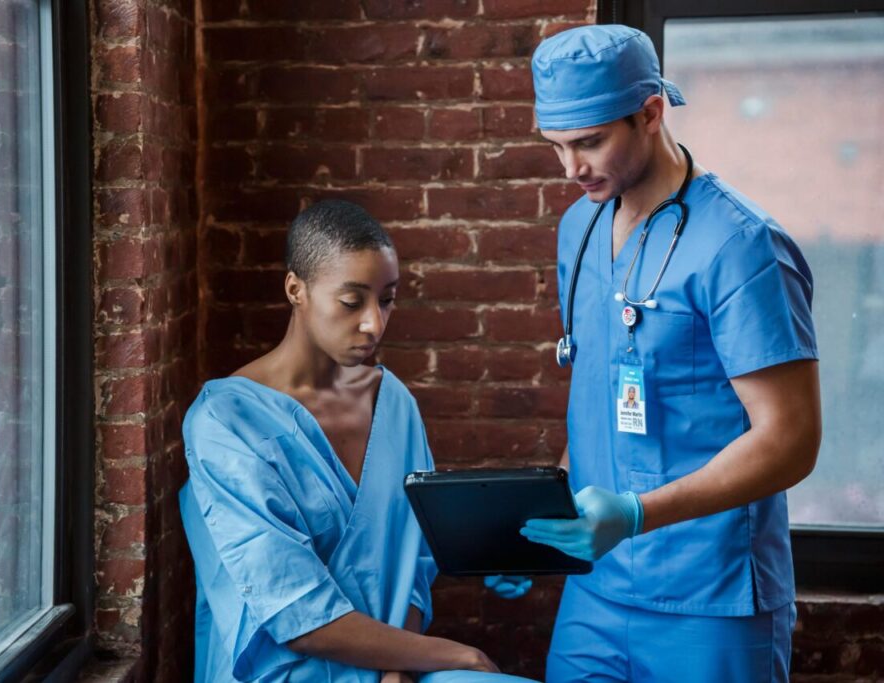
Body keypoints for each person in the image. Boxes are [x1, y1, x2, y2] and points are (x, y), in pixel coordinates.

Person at [488, 25, 822, 682]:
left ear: (651, 113)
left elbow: (793, 439)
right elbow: (598, 398)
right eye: (555, 146)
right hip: (597, 592)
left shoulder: (740, 246)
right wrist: (546, 528)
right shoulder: (579, 228)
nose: (570, 168)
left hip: (711, 598)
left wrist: (639, 514)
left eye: (589, 142)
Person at [180, 200, 538, 682]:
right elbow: (293, 612)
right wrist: (455, 655)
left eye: (386, 299)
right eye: (352, 301)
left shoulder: (394, 403)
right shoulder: (226, 422)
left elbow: (414, 561)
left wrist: (401, 667)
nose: (374, 323)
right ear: (296, 290)